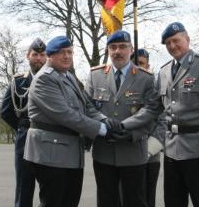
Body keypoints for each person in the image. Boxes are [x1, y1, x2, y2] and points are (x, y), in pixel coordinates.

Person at [23, 35, 121, 207]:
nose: (67, 56)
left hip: (69, 154)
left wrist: (105, 120)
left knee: (69, 202)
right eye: (62, 52)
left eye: (69, 52)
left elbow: (87, 106)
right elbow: (66, 115)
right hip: (51, 155)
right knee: (53, 202)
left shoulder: (67, 76)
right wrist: (102, 129)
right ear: (50, 56)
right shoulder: (44, 79)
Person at [85, 30, 162, 207]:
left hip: (133, 152)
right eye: (113, 47)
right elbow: (87, 105)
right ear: (108, 50)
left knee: (135, 201)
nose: (117, 51)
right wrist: (103, 120)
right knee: (106, 201)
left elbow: (151, 110)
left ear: (131, 49)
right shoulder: (95, 75)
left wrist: (125, 128)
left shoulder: (146, 78)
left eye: (122, 47)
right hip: (104, 151)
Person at [157, 22, 199, 207]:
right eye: (168, 43)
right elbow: (157, 110)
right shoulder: (163, 71)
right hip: (171, 149)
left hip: (198, 149)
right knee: (173, 201)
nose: (172, 46)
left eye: (176, 41)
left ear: (187, 39)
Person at [1, 38, 47, 207]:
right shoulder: (18, 81)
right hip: (25, 139)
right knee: (23, 189)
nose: (39, 58)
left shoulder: (56, 80)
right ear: (28, 56)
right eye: (35, 54)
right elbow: (5, 111)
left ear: (48, 57)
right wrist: (22, 127)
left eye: (43, 55)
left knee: (49, 190)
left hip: (49, 140)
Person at [131, 48, 164, 207]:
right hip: (127, 154)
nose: (138, 67)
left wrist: (149, 149)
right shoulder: (122, 86)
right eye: (135, 63)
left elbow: (164, 120)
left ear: (148, 65)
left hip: (150, 155)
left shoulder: (156, 88)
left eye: (141, 64)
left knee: (147, 199)